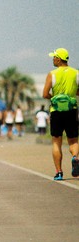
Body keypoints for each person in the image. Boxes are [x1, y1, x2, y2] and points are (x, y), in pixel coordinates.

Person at [42, 48, 79, 180]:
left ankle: (59, 172)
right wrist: (71, 94)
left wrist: (55, 97)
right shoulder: (76, 73)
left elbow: (45, 94)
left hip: (56, 111)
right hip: (71, 110)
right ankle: (76, 157)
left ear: (59, 59)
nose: (53, 59)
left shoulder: (52, 74)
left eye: (54, 57)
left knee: (56, 142)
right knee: (73, 140)